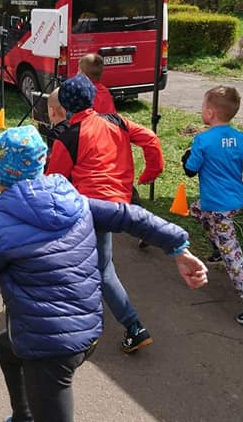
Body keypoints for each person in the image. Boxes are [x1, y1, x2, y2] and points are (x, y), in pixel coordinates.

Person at [0, 125, 208, 422]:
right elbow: (130, 215)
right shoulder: (73, 198)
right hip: (87, 330)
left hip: (50, 349)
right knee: (6, 348)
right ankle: (23, 415)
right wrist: (178, 247)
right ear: (41, 164)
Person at [45, 75, 164, 353]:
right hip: (120, 204)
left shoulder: (68, 138)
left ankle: (133, 326)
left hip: (92, 209)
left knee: (101, 269)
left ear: (63, 105)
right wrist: (151, 172)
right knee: (91, 261)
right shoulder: (117, 121)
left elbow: (53, 183)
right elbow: (150, 139)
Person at [182, 85, 243, 324]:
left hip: (217, 206)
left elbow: (190, 170)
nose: (201, 110)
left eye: (203, 106)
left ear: (211, 113)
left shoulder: (202, 140)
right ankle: (216, 247)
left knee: (231, 252)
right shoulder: (240, 137)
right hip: (232, 200)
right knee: (196, 210)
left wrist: (186, 156)